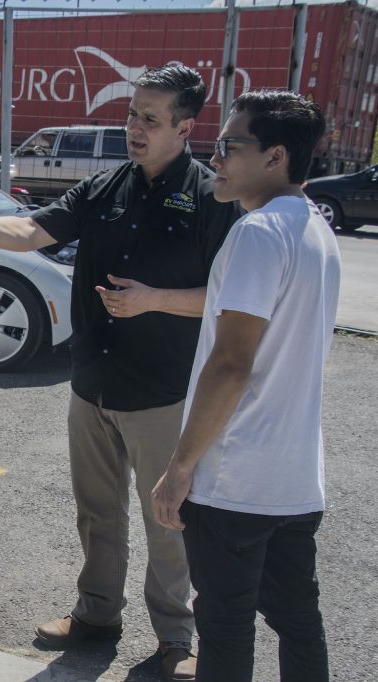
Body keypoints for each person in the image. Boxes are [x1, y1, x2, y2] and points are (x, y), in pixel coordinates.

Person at [0, 65, 242, 682]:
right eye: (131, 114)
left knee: (168, 521)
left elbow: (226, 297)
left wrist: (153, 300)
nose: (134, 128)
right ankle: (97, 615)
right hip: (92, 384)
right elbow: (33, 229)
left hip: (163, 393)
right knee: (96, 511)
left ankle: (176, 639)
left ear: (185, 127)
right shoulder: (104, 186)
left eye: (150, 119)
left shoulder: (211, 198)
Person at [152, 91, 337, 681]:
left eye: (229, 146)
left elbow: (232, 364)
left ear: (276, 156)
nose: (215, 159)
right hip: (294, 480)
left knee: (226, 627)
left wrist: (180, 468)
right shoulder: (316, 228)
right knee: (298, 619)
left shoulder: (258, 232)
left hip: (235, 481)